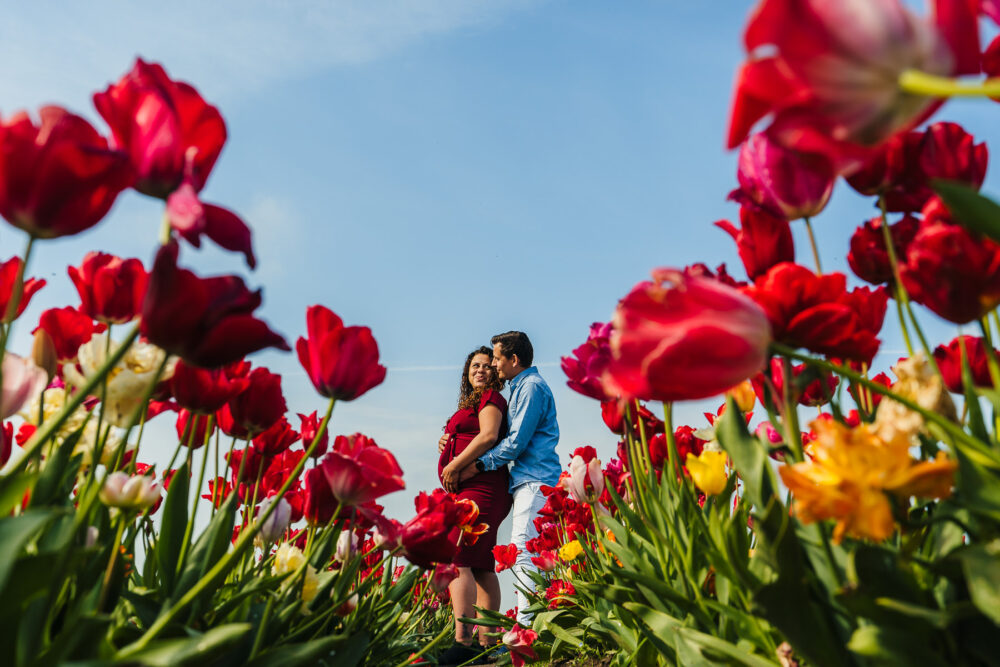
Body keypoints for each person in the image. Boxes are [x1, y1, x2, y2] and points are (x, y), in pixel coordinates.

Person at [442, 331, 560, 627]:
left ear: (513, 359)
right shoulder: (519, 388)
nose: (493, 365)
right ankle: (528, 627)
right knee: (522, 553)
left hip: (535, 480)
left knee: (521, 552)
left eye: (495, 358)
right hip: (524, 480)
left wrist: (475, 466)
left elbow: (514, 441)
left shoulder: (530, 387)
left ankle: (525, 630)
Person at [436, 346, 513, 666]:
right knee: (480, 566)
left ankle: (464, 642)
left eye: (486, 366)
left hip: (483, 487)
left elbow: (488, 436)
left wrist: (453, 465)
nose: (480, 370)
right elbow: (467, 434)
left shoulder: (491, 399)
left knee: (460, 559)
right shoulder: (471, 403)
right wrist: (446, 441)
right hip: (471, 488)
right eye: (474, 366)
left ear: (496, 372)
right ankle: (486, 645)